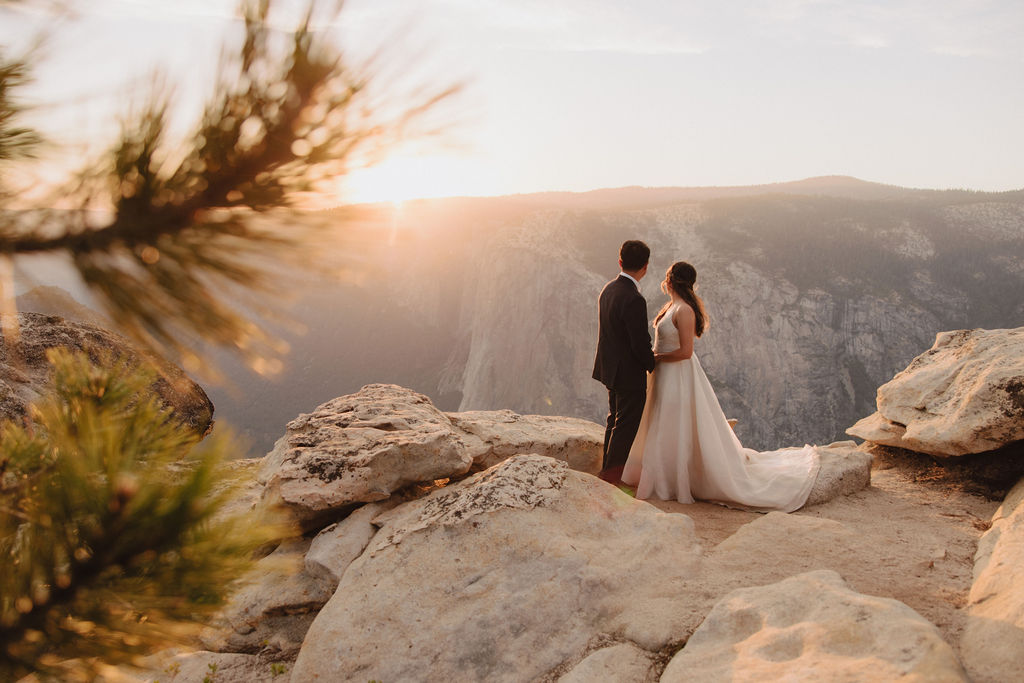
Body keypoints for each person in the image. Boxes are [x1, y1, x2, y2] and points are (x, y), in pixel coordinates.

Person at [621, 261, 820, 512]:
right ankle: (664, 474)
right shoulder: (672, 307)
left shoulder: (684, 311)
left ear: (670, 280)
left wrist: (657, 357)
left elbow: (685, 351)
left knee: (672, 421)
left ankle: (673, 477)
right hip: (665, 375)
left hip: (677, 375)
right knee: (663, 421)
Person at [592, 240, 656, 485]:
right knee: (625, 427)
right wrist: (652, 363)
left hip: (610, 369)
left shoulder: (607, 289)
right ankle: (610, 480)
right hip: (629, 374)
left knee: (614, 421)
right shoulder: (634, 298)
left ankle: (605, 472)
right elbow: (639, 342)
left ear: (620, 262)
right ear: (646, 267)